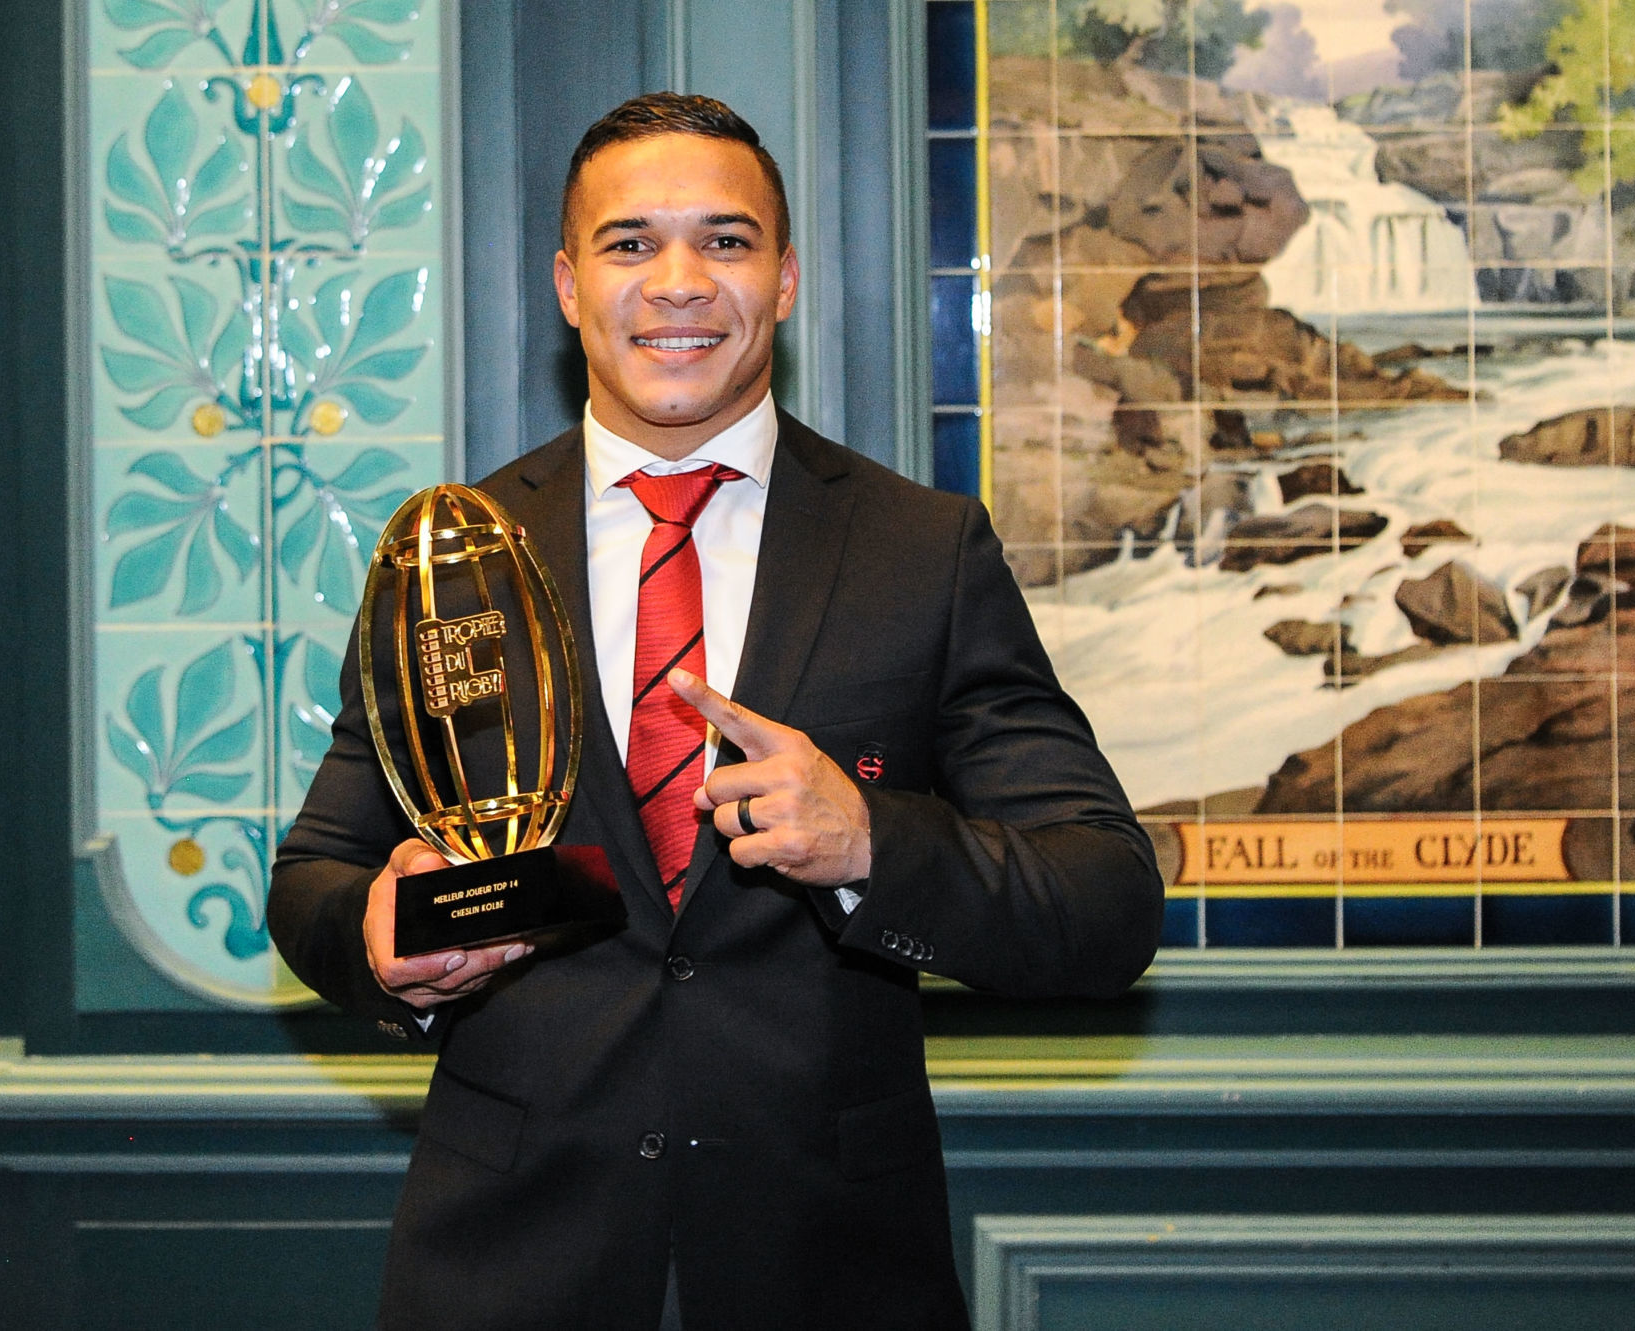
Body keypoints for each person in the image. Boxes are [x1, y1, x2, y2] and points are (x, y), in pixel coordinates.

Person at [270, 92, 1162, 1330]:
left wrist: (870, 841)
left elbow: (1104, 900)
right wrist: (384, 941)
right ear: (569, 285)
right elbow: (315, 873)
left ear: (784, 279)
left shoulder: (921, 548)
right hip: (508, 1270)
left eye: (726, 241)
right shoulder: (454, 555)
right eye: (630, 243)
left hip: (831, 1272)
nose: (679, 282)